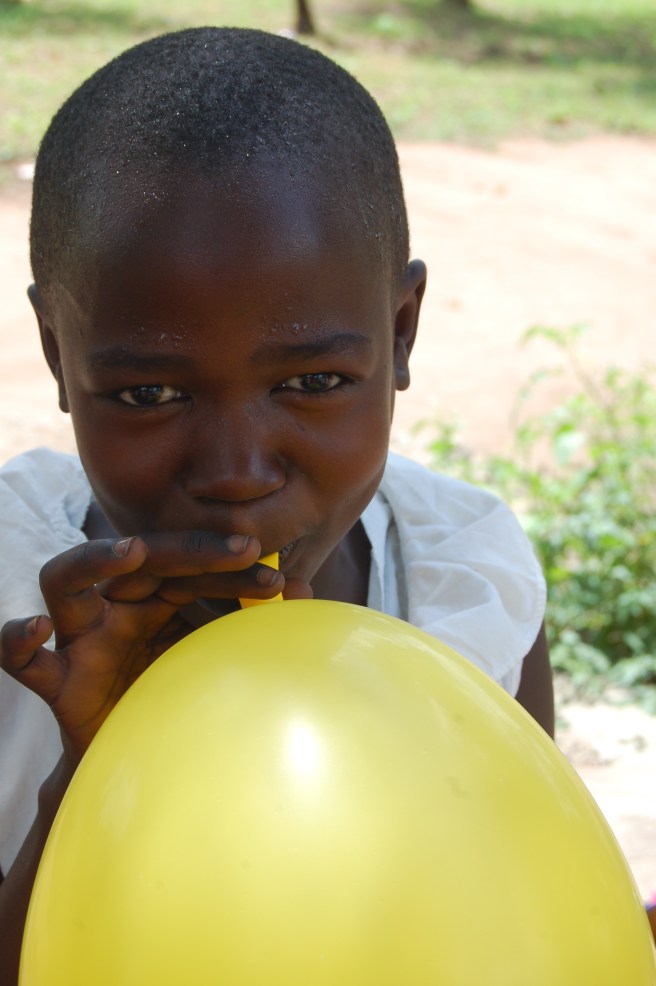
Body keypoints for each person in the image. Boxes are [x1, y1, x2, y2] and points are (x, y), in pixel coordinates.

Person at [0, 27, 554, 982]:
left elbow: (536, 919)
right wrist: (89, 772)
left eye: (314, 380)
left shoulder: (468, 597)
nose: (236, 470)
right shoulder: (13, 617)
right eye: (148, 395)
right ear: (58, 354)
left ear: (401, 331)